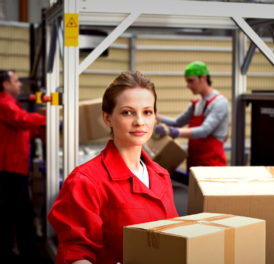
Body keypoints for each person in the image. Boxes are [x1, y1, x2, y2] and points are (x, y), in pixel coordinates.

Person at [48, 71, 178, 264]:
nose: (139, 122)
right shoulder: (86, 181)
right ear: (108, 118)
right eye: (127, 112)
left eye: (147, 112)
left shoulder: (161, 176)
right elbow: (75, 254)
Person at [0, 69, 46, 262]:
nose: (19, 84)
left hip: (16, 167)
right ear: (5, 85)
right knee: (17, 212)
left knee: (17, 211)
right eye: (16, 81)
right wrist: (49, 117)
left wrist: (40, 129)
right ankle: (20, 252)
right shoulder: (3, 103)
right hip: (9, 169)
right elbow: (21, 120)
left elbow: (23, 129)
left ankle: (18, 249)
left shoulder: (12, 105)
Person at [155, 61, 230, 171]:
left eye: (191, 81)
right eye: (187, 82)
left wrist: (173, 132)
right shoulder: (196, 103)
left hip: (212, 165)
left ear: (203, 78)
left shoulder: (219, 103)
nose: (188, 86)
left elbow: (205, 130)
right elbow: (177, 123)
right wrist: (154, 115)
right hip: (195, 163)